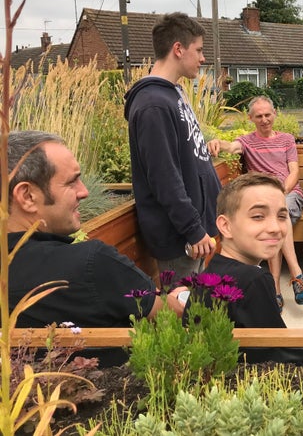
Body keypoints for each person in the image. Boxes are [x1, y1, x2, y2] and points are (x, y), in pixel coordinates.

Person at [7, 131, 187, 328]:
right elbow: (171, 315)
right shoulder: (93, 265)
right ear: (27, 196)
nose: (84, 191)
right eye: (71, 181)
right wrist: (181, 297)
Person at [124, 12, 221, 280]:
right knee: (185, 314)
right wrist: (192, 227)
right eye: (199, 50)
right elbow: (163, 176)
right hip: (180, 239)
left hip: (194, 233)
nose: (203, 58)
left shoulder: (171, 93)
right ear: (178, 49)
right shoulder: (153, 105)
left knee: (201, 310)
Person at [207, 96, 303, 310]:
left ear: (274, 114)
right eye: (259, 116)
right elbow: (232, 147)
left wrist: (280, 193)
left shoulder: (286, 139)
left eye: (267, 115)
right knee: (275, 221)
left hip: (289, 193)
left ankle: (275, 289)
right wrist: (218, 143)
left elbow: (294, 172)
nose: (264, 120)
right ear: (250, 118)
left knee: (277, 215)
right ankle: (297, 278)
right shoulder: (246, 141)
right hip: (261, 198)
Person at [187, 173, 287, 328]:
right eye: (258, 216)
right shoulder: (254, 280)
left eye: (282, 216)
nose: (275, 228)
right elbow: (280, 348)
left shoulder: (208, 275)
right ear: (226, 226)